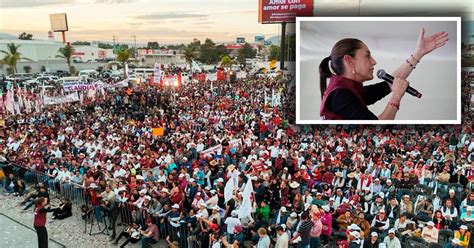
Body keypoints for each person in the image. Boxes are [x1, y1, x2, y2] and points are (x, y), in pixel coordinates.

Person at [318, 29, 448, 120]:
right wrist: (396, 96)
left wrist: (418, 53)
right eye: (367, 56)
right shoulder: (341, 95)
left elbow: (389, 83)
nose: (374, 62)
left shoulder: (346, 90)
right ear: (349, 61)